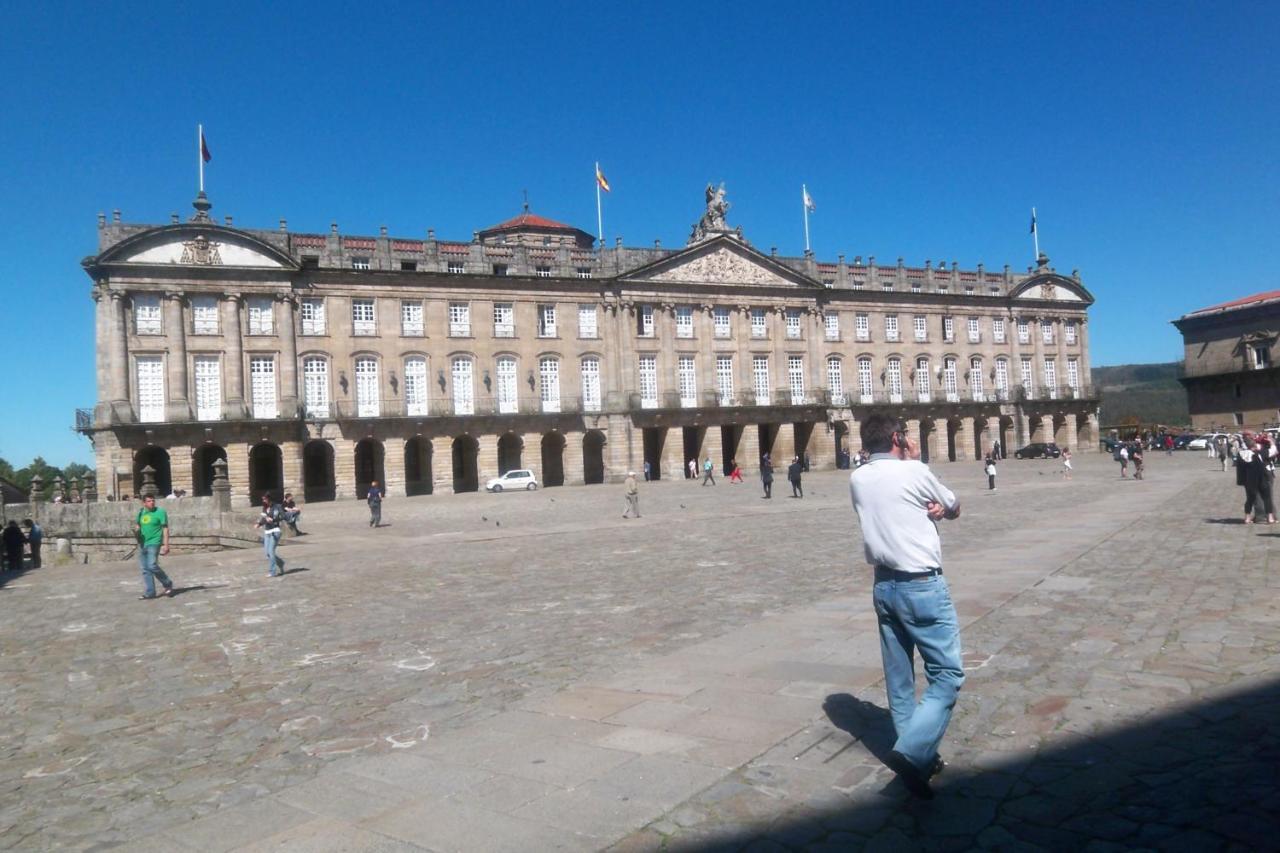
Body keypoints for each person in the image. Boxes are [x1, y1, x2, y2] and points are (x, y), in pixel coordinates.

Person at [849, 413, 962, 799]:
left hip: (884, 586)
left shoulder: (858, 478)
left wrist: (928, 507)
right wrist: (918, 465)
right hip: (921, 587)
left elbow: (898, 509)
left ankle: (919, 760)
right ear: (898, 437)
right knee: (946, 674)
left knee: (899, 680)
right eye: (906, 436)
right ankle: (913, 753)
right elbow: (954, 504)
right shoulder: (914, 472)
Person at [133, 494, 175, 599]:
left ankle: (167, 583)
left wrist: (166, 544)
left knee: (152, 565)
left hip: (154, 542)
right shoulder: (141, 512)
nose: (151, 502)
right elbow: (138, 525)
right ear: (144, 503)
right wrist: (136, 531)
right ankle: (150, 592)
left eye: (153, 501)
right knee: (145, 569)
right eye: (149, 501)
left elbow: (165, 529)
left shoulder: (160, 512)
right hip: (143, 543)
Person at [1244, 438, 1276, 524]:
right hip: (1261, 478)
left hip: (1250, 479)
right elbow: (1273, 451)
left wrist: (1242, 480)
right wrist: (1272, 442)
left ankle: (1247, 518)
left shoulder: (1242, 454)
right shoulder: (1260, 453)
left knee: (1250, 499)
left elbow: (1240, 469)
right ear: (1254, 446)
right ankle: (1270, 518)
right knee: (1267, 498)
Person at [255, 494, 286, 577]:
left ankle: (272, 571)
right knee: (267, 553)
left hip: (275, 531)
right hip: (267, 531)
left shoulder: (277, 506)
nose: (263, 501)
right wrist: (259, 524)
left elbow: (283, 516)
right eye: (263, 499)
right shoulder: (264, 508)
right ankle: (281, 563)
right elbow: (264, 518)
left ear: (269, 499)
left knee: (271, 551)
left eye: (264, 499)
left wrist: (274, 520)